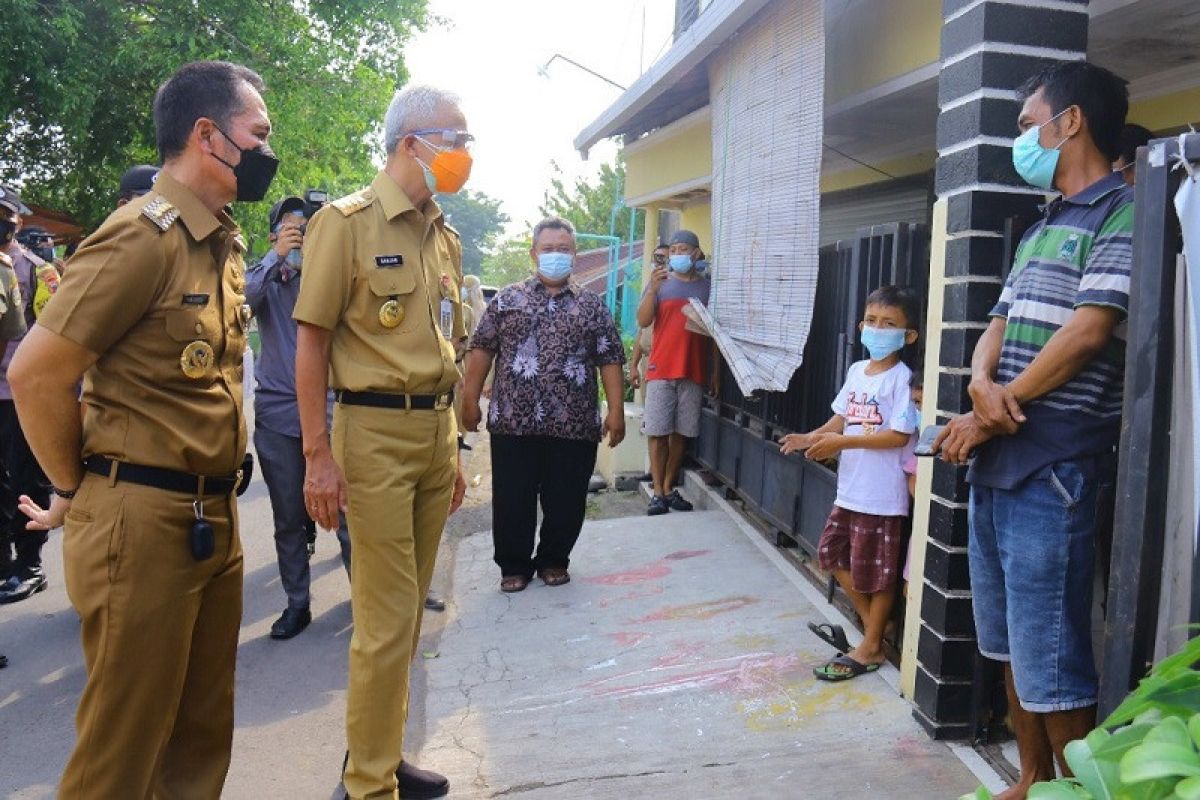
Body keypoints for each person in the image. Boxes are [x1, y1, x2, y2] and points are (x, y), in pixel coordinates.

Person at [8, 60, 275, 797]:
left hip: (208, 515)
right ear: (206, 134)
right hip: (143, 526)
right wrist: (75, 484)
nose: (265, 149)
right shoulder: (141, 238)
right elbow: (36, 374)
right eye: (258, 133)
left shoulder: (218, 241)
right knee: (120, 760)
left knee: (196, 742)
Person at [933, 61, 1132, 800]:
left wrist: (995, 406)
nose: (1022, 140)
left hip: (1055, 467)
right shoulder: (1045, 224)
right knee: (1010, 644)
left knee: (1051, 653)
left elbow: (1086, 334)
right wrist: (982, 387)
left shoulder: (1122, 213)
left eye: (1027, 125)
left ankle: (1077, 792)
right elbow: (998, 320)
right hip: (1000, 455)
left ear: (1069, 121)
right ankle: (1031, 780)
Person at [294, 84, 471, 800]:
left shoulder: (443, 233)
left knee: (409, 611)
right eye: (455, 139)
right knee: (385, 621)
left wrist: (453, 450)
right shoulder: (346, 224)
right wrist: (316, 455)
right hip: (371, 434)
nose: (464, 154)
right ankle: (369, 787)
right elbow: (310, 343)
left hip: (434, 432)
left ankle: (381, 756)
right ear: (410, 142)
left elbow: (446, 346)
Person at [461, 217, 626, 593]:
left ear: (575, 254)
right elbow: (482, 348)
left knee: (565, 499)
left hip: (574, 423)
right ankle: (514, 565)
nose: (556, 255)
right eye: (548, 249)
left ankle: (554, 559)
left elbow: (609, 357)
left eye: (563, 249)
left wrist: (615, 410)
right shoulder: (507, 300)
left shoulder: (591, 307)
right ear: (533, 253)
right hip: (513, 422)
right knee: (512, 499)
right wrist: (468, 400)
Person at [780, 285, 920, 681]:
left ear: (908, 336)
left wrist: (842, 442)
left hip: (882, 495)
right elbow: (839, 419)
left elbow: (897, 437)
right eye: (872, 321)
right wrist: (811, 437)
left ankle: (872, 644)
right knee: (831, 553)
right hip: (851, 490)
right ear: (861, 325)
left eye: (889, 324)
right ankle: (877, 629)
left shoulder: (902, 380)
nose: (877, 329)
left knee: (877, 574)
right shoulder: (857, 371)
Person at [246, 194, 351, 640]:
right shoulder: (265, 277)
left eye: (307, 229)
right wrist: (277, 256)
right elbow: (240, 302)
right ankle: (297, 603)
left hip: (334, 415)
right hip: (278, 417)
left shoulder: (331, 277)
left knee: (348, 514)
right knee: (289, 517)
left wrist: (314, 260)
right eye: (290, 228)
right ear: (273, 235)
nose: (300, 235)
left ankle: (367, 599)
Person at [0, 184, 52, 605]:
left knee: (25, 479)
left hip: (23, 393)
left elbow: (55, 334)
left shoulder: (38, 269)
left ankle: (29, 563)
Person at [636, 229, 711, 516]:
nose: (678, 254)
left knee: (682, 432)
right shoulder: (660, 283)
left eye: (684, 249)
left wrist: (714, 373)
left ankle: (668, 488)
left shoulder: (706, 288)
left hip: (692, 369)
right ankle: (656, 492)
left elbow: (714, 332)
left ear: (696, 253)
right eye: (674, 250)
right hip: (660, 368)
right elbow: (643, 320)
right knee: (657, 431)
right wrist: (653, 290)